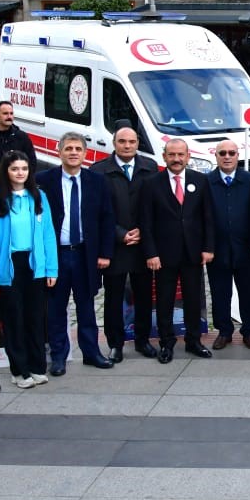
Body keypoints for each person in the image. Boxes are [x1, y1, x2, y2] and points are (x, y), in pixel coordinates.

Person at [36, 132, 115, 373]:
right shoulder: (44, 180)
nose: (73, 153)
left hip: (85, 254)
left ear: (85, 153)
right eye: (68, 148)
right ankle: (59, 356)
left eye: (77, 149)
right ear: (59, 152)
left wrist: (104, 253)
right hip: (57, 254)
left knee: (86, 306)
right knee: (56, 307)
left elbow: (107, 218)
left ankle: (91, 352)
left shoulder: (97, 181)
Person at [139, 139, 217, 362]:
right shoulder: (152, 183)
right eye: (172, 155)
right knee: (165, 300)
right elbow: (146, 222)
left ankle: (194, 341)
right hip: (164, 255)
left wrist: (208, 247)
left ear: (187, 156)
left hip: (193, 253)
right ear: (164, 157)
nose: (176, 159)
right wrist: (151, 253)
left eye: (180, 154)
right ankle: (167, 343)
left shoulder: (200, 180)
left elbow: (208, 217)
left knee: (193, 299)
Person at [0, 151, 58, 388]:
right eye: (15, 169)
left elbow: (48, 234)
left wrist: (51, 268)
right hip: (9, 266)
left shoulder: (39, 197)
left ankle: (37, 366)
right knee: (14, 319)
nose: (20, 173)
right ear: (6, 171)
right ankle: (19, 370)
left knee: (35, 318)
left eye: (24, 169)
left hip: (34, 264)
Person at [90, 126, 159, 360]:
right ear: (114, 143)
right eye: (122, 141)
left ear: (138, 143)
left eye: (131, 141)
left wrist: (143, 231)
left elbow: (154, 205)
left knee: (143, 296)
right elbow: (96, 211)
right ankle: (115, 344)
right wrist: (120, 233)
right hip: (114, 246)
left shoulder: (149, 168)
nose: (127, 145)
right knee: (113, 298)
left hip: (143, 244)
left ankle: (142, 340)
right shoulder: (99, 171)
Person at [206, 137, 250, 350]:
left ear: (238, 155)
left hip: (246, 248)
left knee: (248, 292)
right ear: (216, 156)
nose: (227, 157)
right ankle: (224, 331)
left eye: (231, 153)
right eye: (222, 153)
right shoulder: (206, 182)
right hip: (217, 249)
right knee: (220, 292)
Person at [0, 101, 38, 174]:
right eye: (5, 113)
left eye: (11, 113)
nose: (9, 117)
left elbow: (32, 162)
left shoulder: (22, 137)